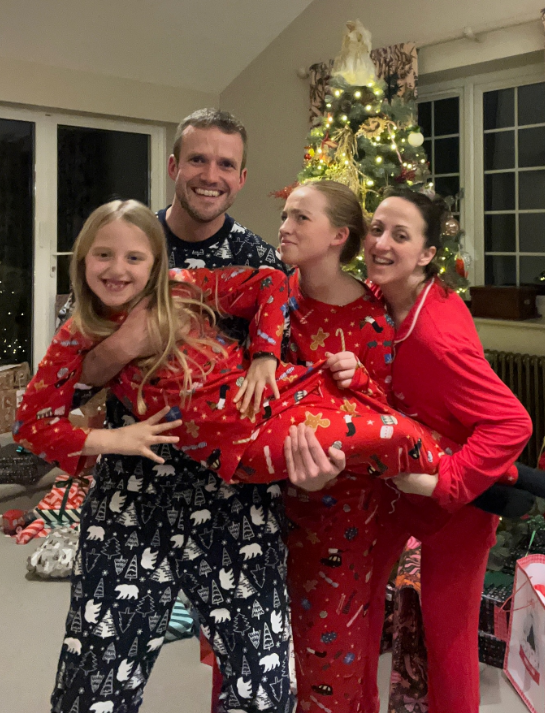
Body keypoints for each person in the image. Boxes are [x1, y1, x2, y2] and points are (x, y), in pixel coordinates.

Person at [15, 198, 458, 713]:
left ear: (156, 261)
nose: (118, 270)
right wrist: (111, 438)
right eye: (103, 256)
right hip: (237, 447)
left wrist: (266, 355)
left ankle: (483, 475)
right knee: (381, 435)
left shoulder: (183, 285)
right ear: (82, 259)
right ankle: (478, 476)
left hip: (277, 403)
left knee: (388, 429)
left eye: (135, 258)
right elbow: (30, 423)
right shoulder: (81, 330)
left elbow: (270, 282)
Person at [41, 108, 297, 713]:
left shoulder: (261, 264)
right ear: (174, 165)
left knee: (264, 690)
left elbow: (283, 387)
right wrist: (124, 348)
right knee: (92, 685)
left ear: (240, 178)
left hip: (236, 503)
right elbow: (66, 386)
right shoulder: (125, 244)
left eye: (225, 164)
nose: (210, 174)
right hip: (132, 494)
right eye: (199, 159)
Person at [282, 185, 534, 713]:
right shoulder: (376, 302)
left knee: (448, 633)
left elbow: (512, 423)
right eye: (376, 229)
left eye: (400, 235)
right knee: (361, 610)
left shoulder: (436, 334)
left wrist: (447, 482)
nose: (380, 244)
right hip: (394, 488)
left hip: (460, 499)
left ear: (425, 255)